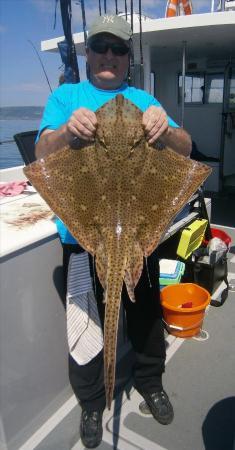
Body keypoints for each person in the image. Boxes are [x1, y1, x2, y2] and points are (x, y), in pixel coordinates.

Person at [36, 14, 192, 449]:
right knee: (86, 323)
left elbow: (185, 148)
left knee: (145, 316)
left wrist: (165, 129)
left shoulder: (144, 100)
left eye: (119, 49)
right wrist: (69, 130)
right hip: (84, 237)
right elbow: (41, 153)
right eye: (101, 46)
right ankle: (92, 402)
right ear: (88, 53)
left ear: (128, 57)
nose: (109, 55)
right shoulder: (66, 98)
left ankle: (150, 381)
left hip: (141, 232)